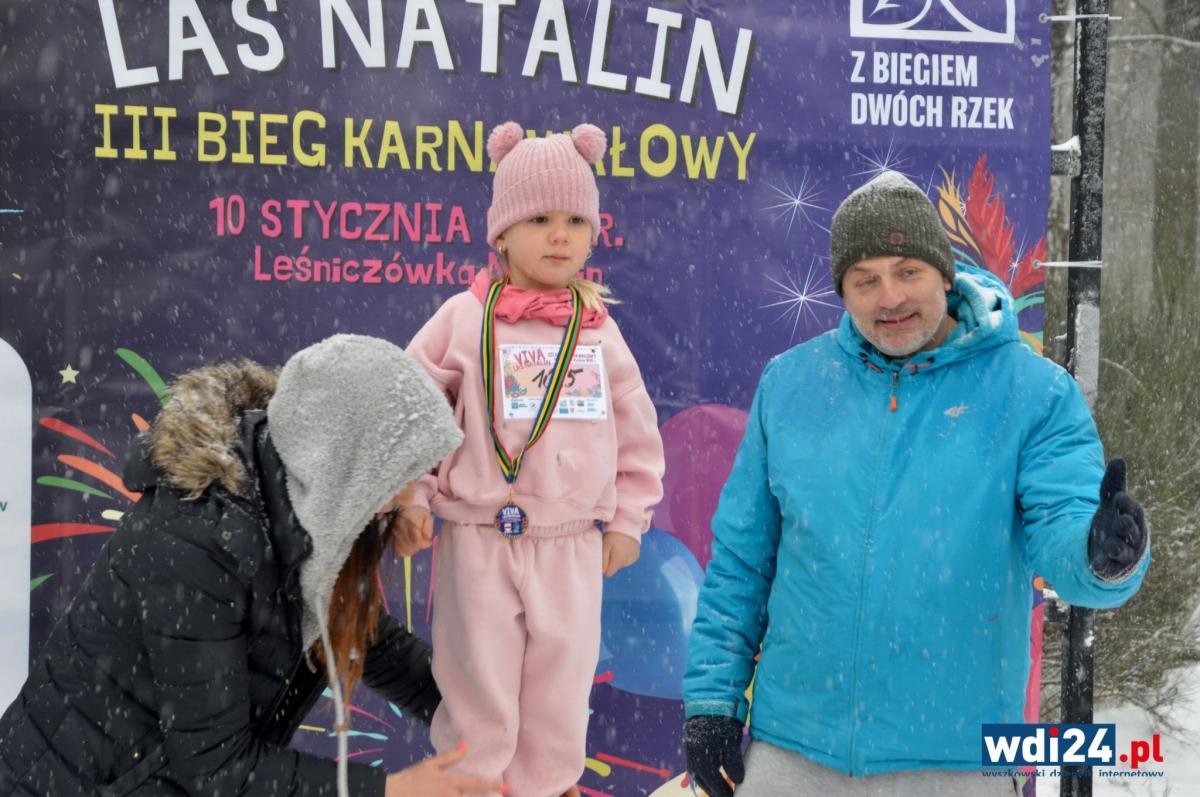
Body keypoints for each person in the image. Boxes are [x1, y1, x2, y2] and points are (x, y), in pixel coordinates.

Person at [681, 171, 1150, 796]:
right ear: (842, 291)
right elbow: (741, 563)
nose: (890, 297)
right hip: (794, 750)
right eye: (865, 280)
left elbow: (1065, 527)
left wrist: (1100, 555)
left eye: (908, 272)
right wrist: (712, 701)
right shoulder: (790, 384)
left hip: (957, 760)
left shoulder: (1033, 392)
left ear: (945, 276)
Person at [0, 334, 505, 797]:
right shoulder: (197, 540)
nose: (401, 496)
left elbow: (367, 638)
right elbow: (215, 766)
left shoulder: (297, 506)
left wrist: (493, 719)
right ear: (342, 463)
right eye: (394, 475)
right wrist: (388, 791)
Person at [393, 121, 665, 797]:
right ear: (501, 233)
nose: (558, 236)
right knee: (475, 678)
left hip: (571, 542)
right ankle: (470, 786)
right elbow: (409, 407)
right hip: (478, 538)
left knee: (561, 689)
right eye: (539, 219)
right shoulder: (462, 319)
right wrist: (411, 495)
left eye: (575, 221)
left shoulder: (599, 333)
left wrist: (628, 518)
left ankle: (546, 786)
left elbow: (637, 433)